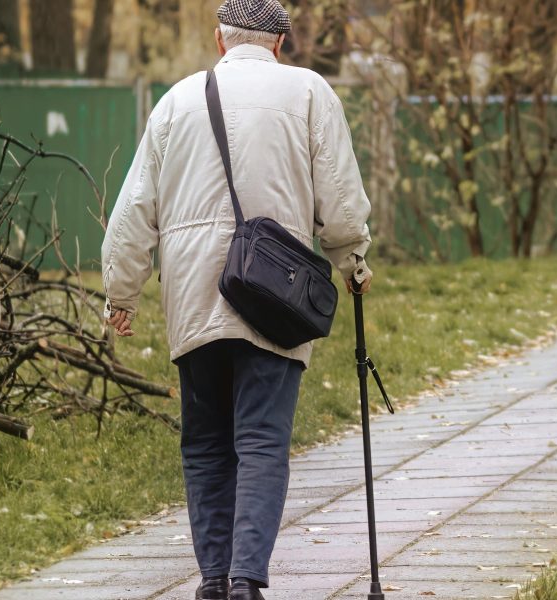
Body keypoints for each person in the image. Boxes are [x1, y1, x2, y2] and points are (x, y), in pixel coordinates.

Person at [100, 1, 374, 598]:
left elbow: (135, 208)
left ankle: (211, 582)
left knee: (204, 445)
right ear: (280, 42)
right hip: (275, 295)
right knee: (262, 442)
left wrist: (122, 292)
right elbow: (339, 196)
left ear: (220, 41)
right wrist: (352, 261)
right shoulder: (309, 92)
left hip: (194, 297)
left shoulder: (176, 101)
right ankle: (247, 580)